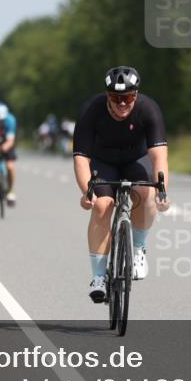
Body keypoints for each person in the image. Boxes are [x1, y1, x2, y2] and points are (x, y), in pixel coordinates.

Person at [72, 66, 170, 303]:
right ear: (108, 96)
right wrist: (87, 192)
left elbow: (159, 156)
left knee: (146, 192)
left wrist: (162, 190)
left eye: (127, 97)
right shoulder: (91, 110)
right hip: (102, 162)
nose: (122, 103)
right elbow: (81, 158)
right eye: (117, 98)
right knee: (102, 206)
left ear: (135, 95)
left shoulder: (148, 109)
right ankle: (98, 277)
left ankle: (138, 248)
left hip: (136, 160)